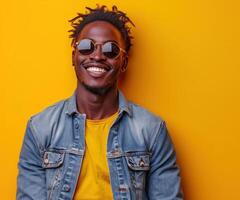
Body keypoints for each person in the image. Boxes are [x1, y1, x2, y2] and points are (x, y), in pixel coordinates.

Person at [17, 5, 183, 200]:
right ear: (74, 57)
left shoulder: (152, 130)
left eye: (110, 49)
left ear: (123, 62)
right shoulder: (40, 128)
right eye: (87, 46)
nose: (97, 56)